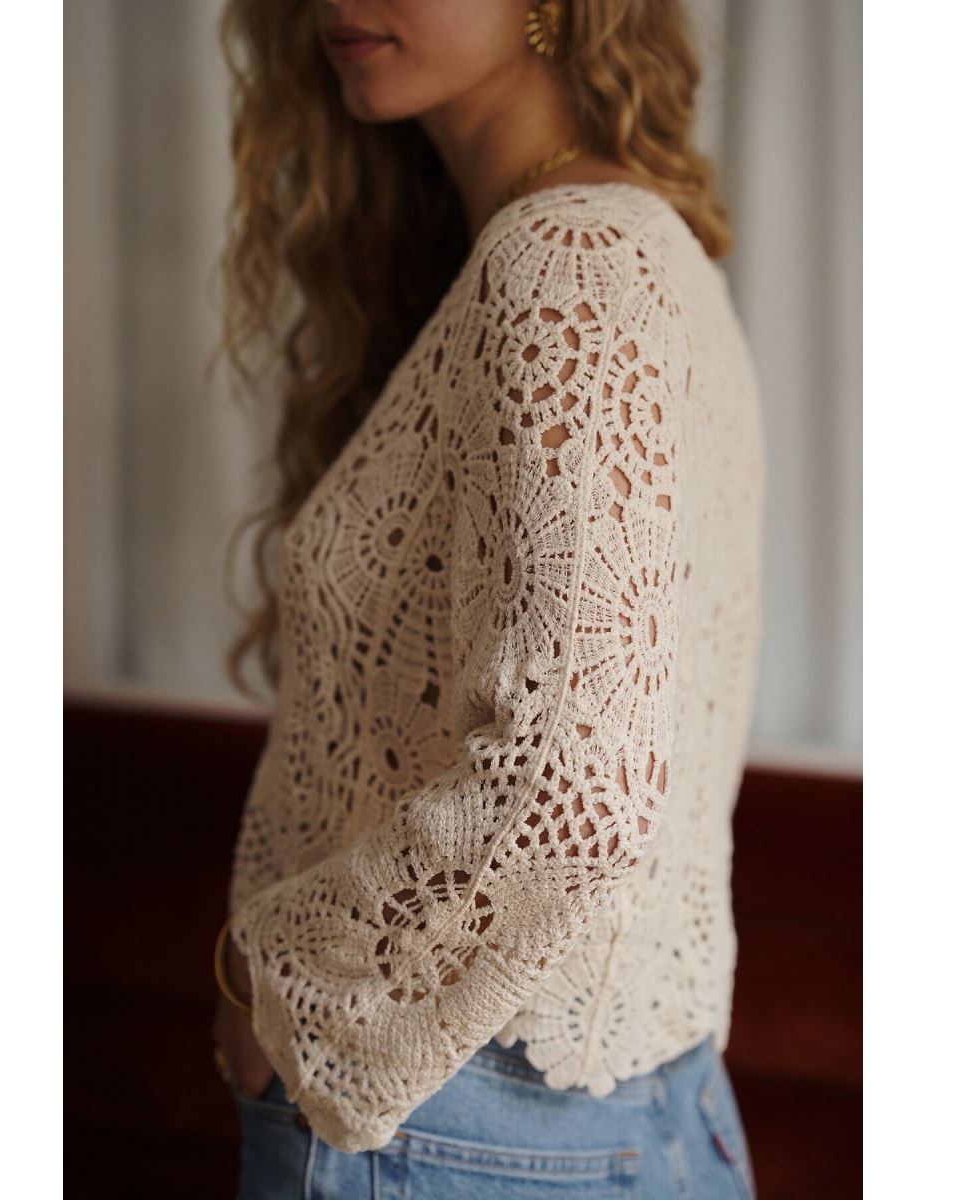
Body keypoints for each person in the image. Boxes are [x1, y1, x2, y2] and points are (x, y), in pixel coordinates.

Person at [211, 1, 764, 1196]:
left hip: (457, 1123)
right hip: (607, 1117)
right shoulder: (616, 244)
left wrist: (280, 984)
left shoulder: (570, 259)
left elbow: (578, 786)